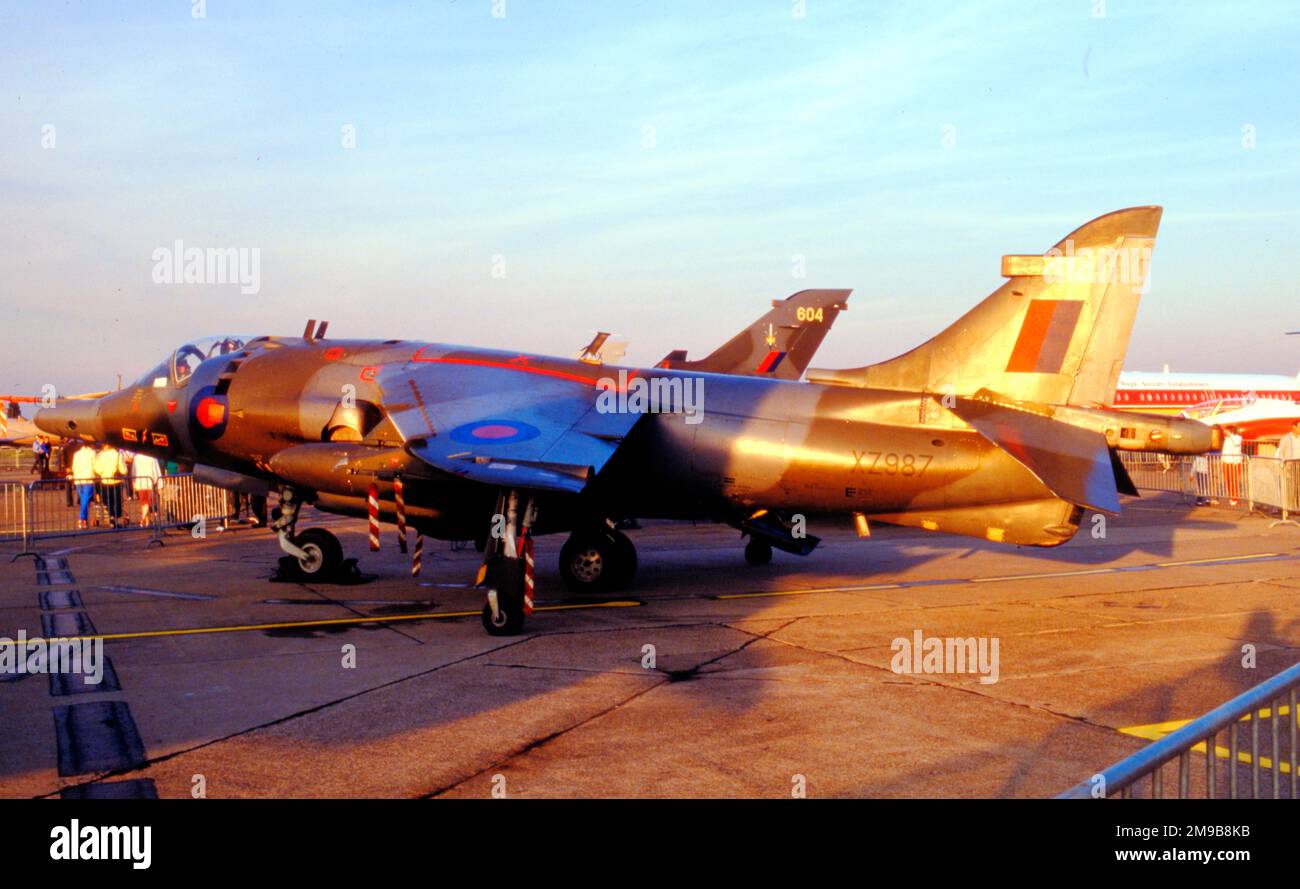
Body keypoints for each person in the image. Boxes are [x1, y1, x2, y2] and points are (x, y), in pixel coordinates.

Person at [94, 443, 127, 528]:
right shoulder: (117, 454)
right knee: (117, 500)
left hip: (105, 480)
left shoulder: (99, 455)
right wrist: (123, 472)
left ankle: (111, 517)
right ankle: (115, 517)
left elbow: (98, 469)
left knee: (108, 501)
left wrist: (103, 472)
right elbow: (123, 469)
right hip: (116, 480)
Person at [69, 441, 98, 529]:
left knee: (83, 497)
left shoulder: (77, 454)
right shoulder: (92, 453)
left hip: (78, 478)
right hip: (88, 477)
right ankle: (83, 518)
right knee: (86, 497)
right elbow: (95, 465)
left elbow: (74, 466)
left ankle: (83, 518)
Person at [131, 451, 162, 527]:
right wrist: (160, 484)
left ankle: (145, 521)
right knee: (149, 503)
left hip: (140, 483)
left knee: (144, 503)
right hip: (150, 482)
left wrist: (134, 482)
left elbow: (133, 472)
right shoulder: (152, 457)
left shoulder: (136, 458)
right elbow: (156, 470)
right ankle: (145, 521)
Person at [1277, 420, 1300, 514]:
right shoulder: (1286, 438)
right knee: (1291, 487)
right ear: (1294, 427)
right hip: (1290, 465)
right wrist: (1283, 464)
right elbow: (1281, 452)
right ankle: (1290, 507)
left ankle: (1298, 508)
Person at [1221, 425, 1244, 507]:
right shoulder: (1227, 439)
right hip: (1226, 462)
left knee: (1234, 480)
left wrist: (1230, 435)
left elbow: (1236, 443)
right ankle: (1231, 495)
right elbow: (1224, 450)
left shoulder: (1237, 437)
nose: (1225, 432)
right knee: (1228, 480)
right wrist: (1222, 460)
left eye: (1226, 431)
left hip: (1234, 462)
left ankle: (1235, 497)